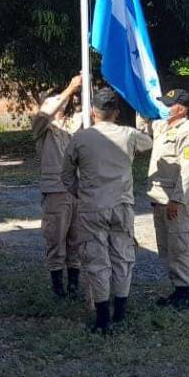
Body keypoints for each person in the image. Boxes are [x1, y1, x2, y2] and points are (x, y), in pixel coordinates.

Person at [61, 88, 153, 334]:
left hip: (93, 207)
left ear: (93, 112)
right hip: (122, 206)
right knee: (123, 258)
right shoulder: (127, 134)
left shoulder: (81, 138)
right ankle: (120, 313)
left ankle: (103, 319)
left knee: (97, 261)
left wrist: (81, 193)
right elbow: (148, 142)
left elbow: (66, 175)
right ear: (116, 112)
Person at [139, 89, 189, 310]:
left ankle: (185, 292)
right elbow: (143, 128)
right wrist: (140, 103)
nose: (164, 109)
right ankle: (177, 289)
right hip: (159, 198)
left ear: (181, 108)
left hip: (175, 201)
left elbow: (188, 169)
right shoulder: (163, 126)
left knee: (180, 245)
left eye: (169, 105)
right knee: (166, 247)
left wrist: (177, 200)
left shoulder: (188, 132)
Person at [32, 73, 83, 299]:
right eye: (53, 102)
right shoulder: (42, 127)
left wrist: (85, 86)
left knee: (76, 239)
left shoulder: (71, 125)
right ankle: (58, 288)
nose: (60, 104)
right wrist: (70, 87)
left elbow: (91, 114)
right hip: (56, 191)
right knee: (56, 239)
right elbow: (47, 112)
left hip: (77, 190)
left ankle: (74, 284)